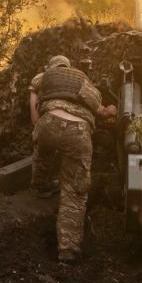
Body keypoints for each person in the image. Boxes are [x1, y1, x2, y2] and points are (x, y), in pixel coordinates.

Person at [29, 55, 115, 263]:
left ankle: (40, 186)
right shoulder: (82, 80)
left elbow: (33, 103)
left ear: (51, 66)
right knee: (74, 192)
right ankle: (68, 250)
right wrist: (111, 110)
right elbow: (101, 110)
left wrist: (37, 128)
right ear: (69, 67)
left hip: (48, 122)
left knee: (43, 152)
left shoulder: (43, 76)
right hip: (78, 131)